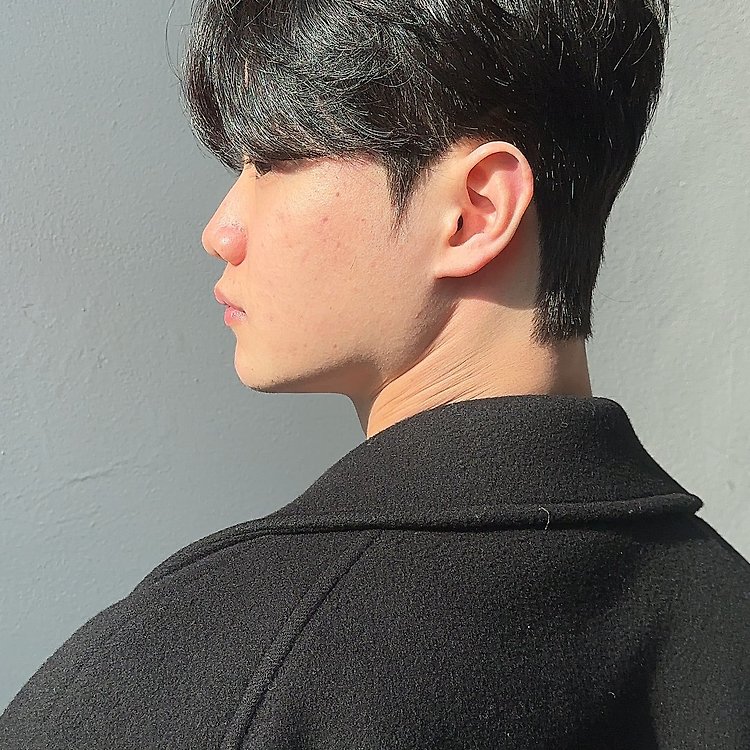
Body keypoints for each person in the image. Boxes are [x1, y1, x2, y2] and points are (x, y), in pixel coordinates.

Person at [2, 0, 748, 747]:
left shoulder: (206, 674)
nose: (220, 230)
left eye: (273, 160)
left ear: (474, 211)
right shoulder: (723, 607)